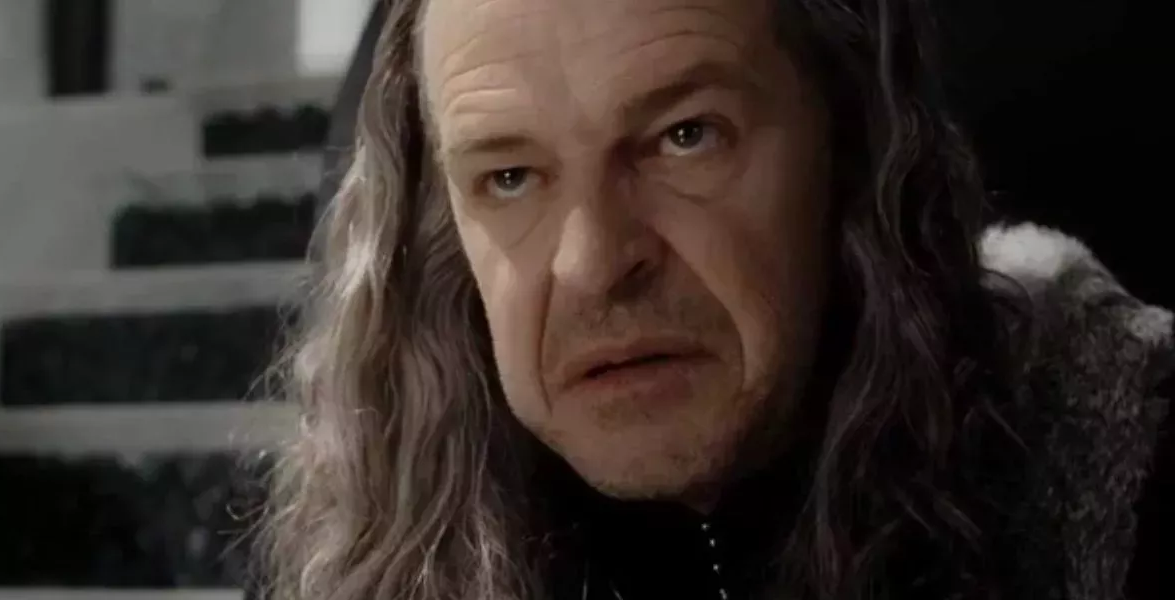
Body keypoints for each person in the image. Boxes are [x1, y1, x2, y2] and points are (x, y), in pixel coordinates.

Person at [253, 0, 1174, 598]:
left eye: (684, 136)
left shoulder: (1118, 451)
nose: (593, 264)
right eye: (510, 177)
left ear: (852, 151)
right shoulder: (365, 548)